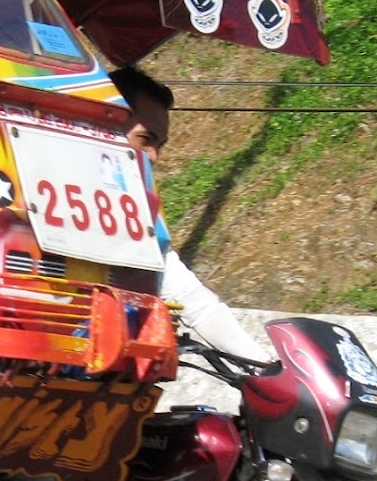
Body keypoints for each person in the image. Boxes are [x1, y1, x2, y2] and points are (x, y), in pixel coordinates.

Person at [109, 65, 271, 363]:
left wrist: (267, 366)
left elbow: (194, 300)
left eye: (160, 145)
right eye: (145, 139)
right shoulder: (37, 188)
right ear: (104, 122)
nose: (154, 157)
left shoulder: (140, 211)